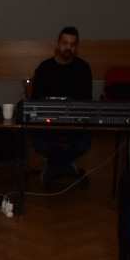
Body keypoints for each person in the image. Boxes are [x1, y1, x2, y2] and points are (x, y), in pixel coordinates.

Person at [30, 26, 93, 184]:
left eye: (73, 44)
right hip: (47, 120)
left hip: (74, 120)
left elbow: (86, 100)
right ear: (57, 43)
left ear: (77, 46)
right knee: (39, 142)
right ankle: (65, 164)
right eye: (65, 43)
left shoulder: (83, 68)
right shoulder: (45, 67)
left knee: (84, 143)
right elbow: (36, 98)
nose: (68, 47)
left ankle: (55, 165)